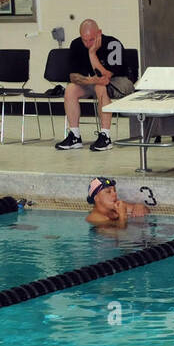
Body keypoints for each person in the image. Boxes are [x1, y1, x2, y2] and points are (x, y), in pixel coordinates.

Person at [55, 20, 130, 153]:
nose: (88, 43)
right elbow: (73, 76)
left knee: (100, 87)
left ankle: (105, 136)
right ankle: (74, 136)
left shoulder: (113, 44)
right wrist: (90, 80)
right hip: (93, 82)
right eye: (85, 40)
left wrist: (92, 53)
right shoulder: (76, 44)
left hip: (120, 81)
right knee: (71, 89)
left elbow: (106, 77)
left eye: (92, 39)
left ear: (99, 33)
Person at [85, 176, 150, 226]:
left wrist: (139, 206)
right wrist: (122, 215)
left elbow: (146, 211)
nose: (114, 194)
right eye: (108, 192)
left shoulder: (116, 206)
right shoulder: (95, 218)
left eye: (114, 190)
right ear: (96, 198)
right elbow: (119, 234)